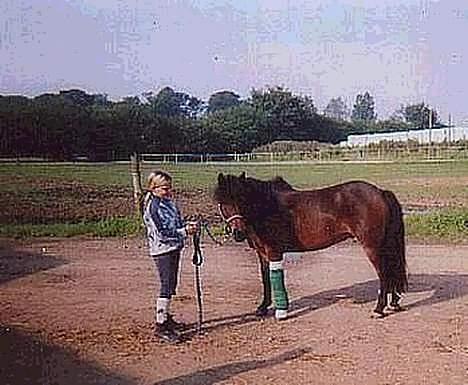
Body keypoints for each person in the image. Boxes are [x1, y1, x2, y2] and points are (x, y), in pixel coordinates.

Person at [142, 170, 198, 343]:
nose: (169, 191)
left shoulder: (167, 202)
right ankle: (160, 325)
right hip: (162, 250)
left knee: (171, 284)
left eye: (169, 187)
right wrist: (184, 231)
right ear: (153, 187)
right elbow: (162, 233)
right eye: (165, 188)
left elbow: (176, 221)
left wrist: (187, 225)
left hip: (173, 247)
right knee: (166, 285)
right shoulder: (153, 206)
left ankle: (166, 318)